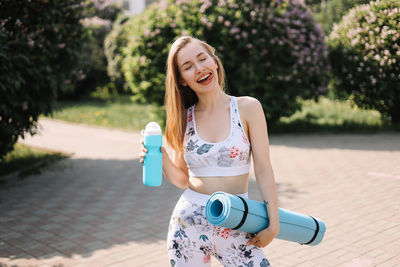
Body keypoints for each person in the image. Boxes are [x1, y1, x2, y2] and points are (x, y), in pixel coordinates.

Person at [139, 36, 279, 267]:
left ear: (214, 61)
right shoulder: (184, 118)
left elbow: (263, 168)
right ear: (182, 80)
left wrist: (273, 223)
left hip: (236, 219)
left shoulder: (248, 108)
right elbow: (182, 179)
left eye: (202, 59)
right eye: (188, 67)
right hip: (188, 224)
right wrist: (161, 156)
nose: (199, 68)